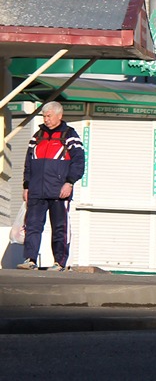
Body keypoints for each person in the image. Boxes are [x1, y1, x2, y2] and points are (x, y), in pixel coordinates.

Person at [19, 101, 85, 271]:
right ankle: (30, 260)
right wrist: (26, 185)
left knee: (60, 228)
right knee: (32, 226)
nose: (46, 119)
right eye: (44, 116)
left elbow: (79, 162)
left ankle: (59, 262)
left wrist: (69, 183)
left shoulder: (70, 135)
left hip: (59, 191)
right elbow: (28, 163)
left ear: (59, 116)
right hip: (36, 190)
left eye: (49, 116)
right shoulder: (37, 135)